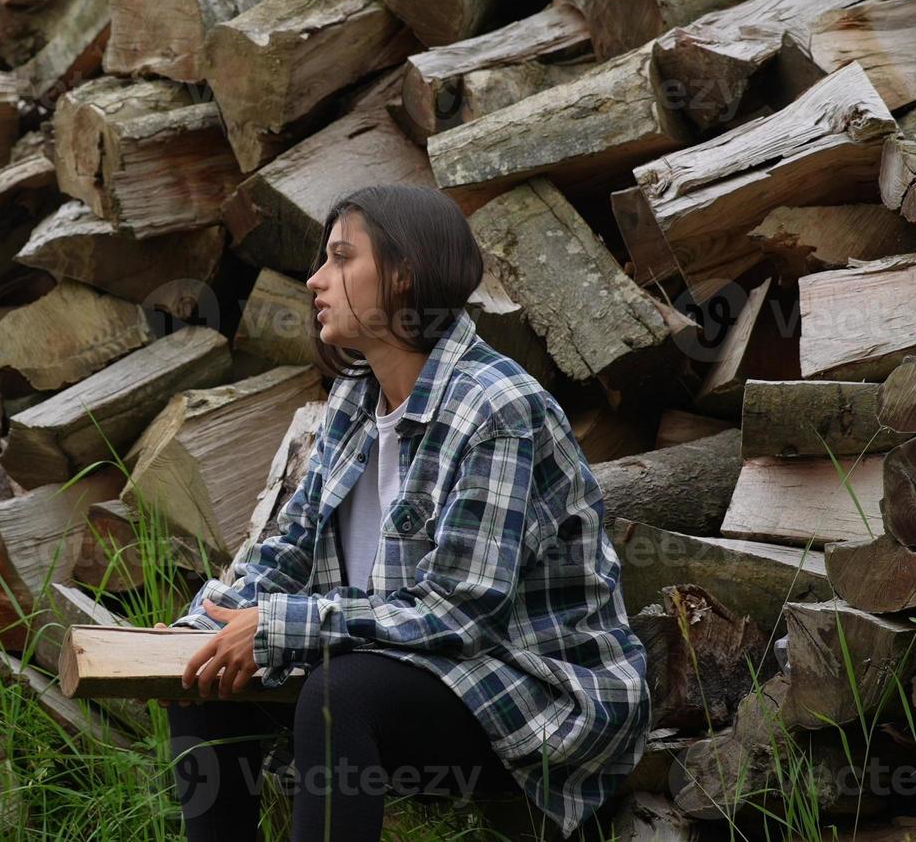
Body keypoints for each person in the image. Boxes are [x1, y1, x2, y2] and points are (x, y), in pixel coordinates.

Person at [152, 184, 651, 842]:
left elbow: (457, 614)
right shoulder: (357, 398)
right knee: (204, 680)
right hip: (406, 669)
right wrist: (199, 629)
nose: (315, 279)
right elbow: (288, 552)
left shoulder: (495, 407)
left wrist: (281, 625)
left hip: (529, 689)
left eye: (339, 258)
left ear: (404, 273)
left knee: (341, 693)